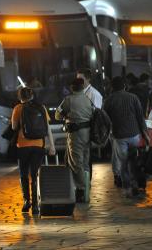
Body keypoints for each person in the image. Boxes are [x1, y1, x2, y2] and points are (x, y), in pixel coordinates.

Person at [11, 87, 56, 215]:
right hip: (38, 145)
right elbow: (48, 129)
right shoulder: (41, 107)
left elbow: (14, 127)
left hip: (23, 146)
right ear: (32, 96)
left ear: (20, 97)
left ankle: (27, 201)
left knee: (23, 174)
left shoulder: (18, 109)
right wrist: (51, 146)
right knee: (35, 174)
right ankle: (36, 205)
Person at [104, 76, 149, 197]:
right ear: (124, 86)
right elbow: (140, 117)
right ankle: (135, 184)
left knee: (123, 162)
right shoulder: (133, 98)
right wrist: (145, 133)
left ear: (112, 87)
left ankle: (127, 187)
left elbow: (105, 119)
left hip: (119, 136)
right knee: (134, 160)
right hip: (134, 134)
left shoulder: (109, 100)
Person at [55, 78, 93, 202]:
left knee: (76, 162)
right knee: (85, 162)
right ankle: (87, 188)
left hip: (75, 134)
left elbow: (57, 114)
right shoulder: (88, 99)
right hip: (87, 133)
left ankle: (81, 190)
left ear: (72, 88)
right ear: (82, 87)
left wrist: (66, 115)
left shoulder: (68, 100)